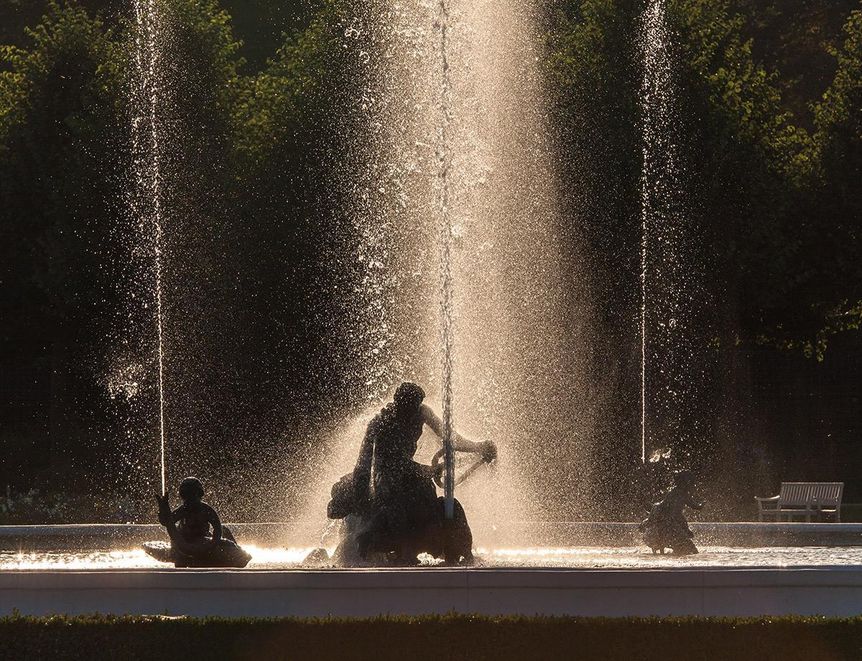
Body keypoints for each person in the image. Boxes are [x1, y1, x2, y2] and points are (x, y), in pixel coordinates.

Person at [328, 382, 496, 566]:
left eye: (415, 407)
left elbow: (448, 437)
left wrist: (477, 447)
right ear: (398, 404)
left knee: (444, 504)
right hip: (386, 479)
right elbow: (383, 465)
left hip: (408, 476)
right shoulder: (382, 424)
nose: (411, 414)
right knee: (400, 508)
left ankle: (458, 552)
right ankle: (402, 551)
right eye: (407, 408)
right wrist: (429, 471)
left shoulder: (421, 412)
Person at [150, 477, 251, 568]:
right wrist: (164, 511)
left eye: (192, 494)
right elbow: (167, 522)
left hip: (203, 539)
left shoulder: (206, 510)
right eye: (186, 495)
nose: (189, 499)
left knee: (234, 548)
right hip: (185, 542)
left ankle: (231, 552)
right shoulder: (183, 510)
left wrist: (213, 543)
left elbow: (217, 528)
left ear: (199, 494)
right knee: (181, 554)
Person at [639, 470, 704, 555]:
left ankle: (669, 548)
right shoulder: (679, 494)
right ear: (684, 483)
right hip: (668, 526)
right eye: (690, 482)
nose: (692, 485)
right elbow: (691, 508)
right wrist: (701, 505)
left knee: (687, 548)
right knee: (690, 549)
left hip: (667, 526)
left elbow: (683, 511)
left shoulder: (677, 493)